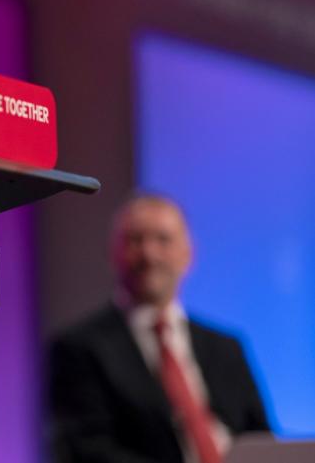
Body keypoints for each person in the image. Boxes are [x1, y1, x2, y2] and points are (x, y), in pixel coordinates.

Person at [48, 194, 270, 463]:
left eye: (163, 240)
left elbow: (262, 440)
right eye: (135, 240)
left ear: (188, 254)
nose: (149, 254)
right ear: (113, 253)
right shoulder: (80, 348)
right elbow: (87, 451)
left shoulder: (226, 347)